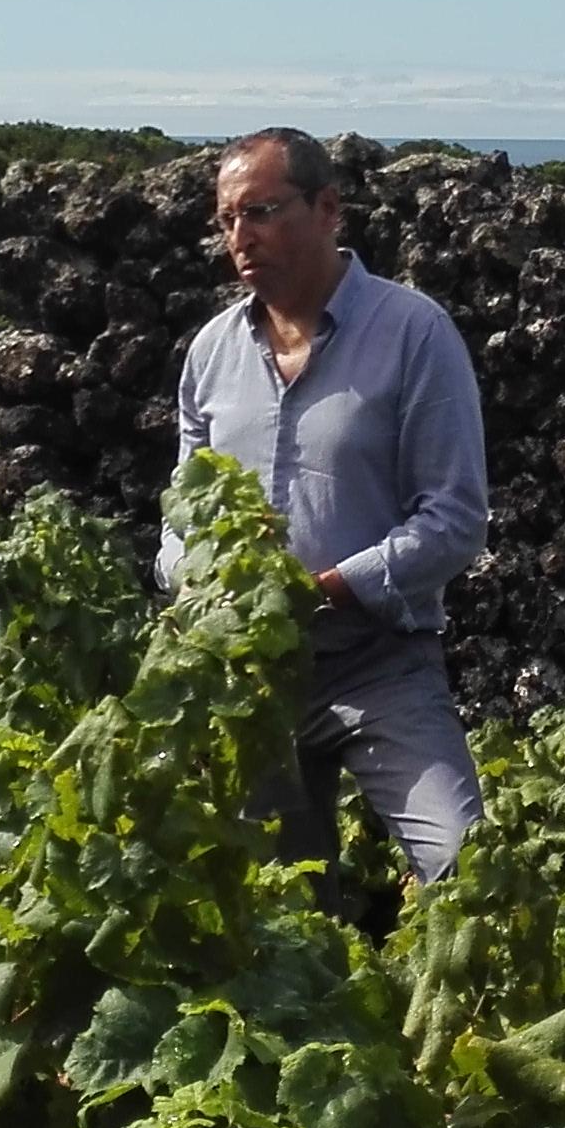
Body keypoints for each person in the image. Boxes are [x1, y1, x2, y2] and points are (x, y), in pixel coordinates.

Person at [165, 129, 491, 882]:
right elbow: (181, 517)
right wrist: (192, 581)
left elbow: (454, 519)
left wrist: (328, 591)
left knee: (464, 867)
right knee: (275, 909)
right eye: (227, 220)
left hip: (380, 663)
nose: (241, 238)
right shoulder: (210, 354)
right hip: (251, 680)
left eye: (262, 212)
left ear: (327, 208)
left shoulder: (415, 333)